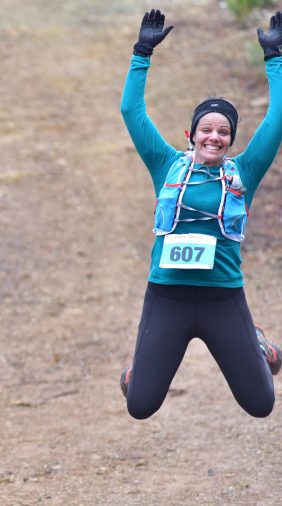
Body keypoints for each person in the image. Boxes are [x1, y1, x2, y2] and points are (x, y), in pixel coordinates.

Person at [119, 10, 282, 419]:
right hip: (167, 296)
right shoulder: (165, 164)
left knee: (261, 405)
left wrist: (275, 59)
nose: (214, 136)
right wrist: (142, 53)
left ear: (230, 140)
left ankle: (260, 346)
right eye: (206, 129)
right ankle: (136, 372)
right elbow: (131, 112)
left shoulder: (242, 172)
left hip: (223, 297)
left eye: (223, 131)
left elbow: (277, 121)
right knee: (140, 405)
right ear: (190, 135)